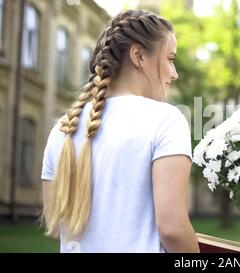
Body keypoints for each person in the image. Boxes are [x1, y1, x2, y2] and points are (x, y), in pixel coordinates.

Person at [41, 10, 199, 253]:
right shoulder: (166, 120)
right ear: (138, 56)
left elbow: (56, 226)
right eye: (170, 59)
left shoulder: (63, 128)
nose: (174, 73)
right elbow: (172, 229)